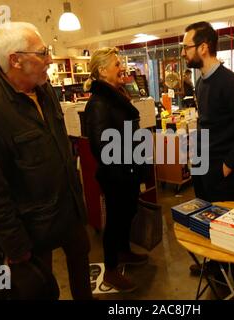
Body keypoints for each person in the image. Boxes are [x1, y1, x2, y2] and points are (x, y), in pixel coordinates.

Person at [0, 22, 93, 300]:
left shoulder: (46, 91)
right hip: (33, 229)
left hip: (69, 210)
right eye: (42, 53)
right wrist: (15, 245)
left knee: (83, 280)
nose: (49, 59)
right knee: (42, 291)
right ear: (16, 60)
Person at [83, 47, 148, 293]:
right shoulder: (99, 103)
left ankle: (124, 252)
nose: (122, 67)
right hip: (117, 173)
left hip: (128, 169)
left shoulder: (115, 94)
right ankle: (111, 270)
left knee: (126, 214)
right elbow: (100, 145)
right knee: (115, 220)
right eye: (116, 64)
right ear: (102, 70)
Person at [181, 21, 234, 202]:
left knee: (219, 225)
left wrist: (228, 165)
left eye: (186, 47)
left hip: (220, 171)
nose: (182, 53)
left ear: (203, 47)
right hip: (201, 166)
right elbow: (207, 122)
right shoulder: (201, 82)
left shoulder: (230, 83)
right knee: (201, 222)